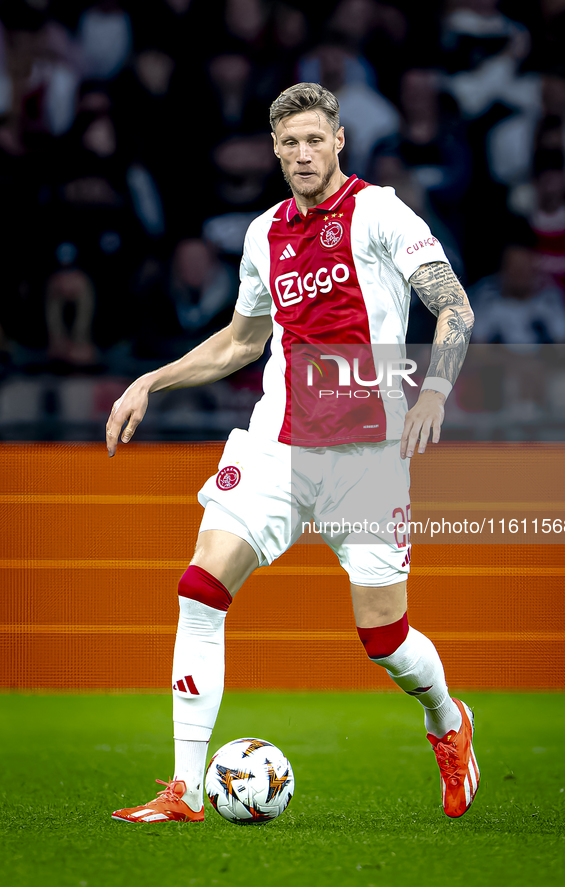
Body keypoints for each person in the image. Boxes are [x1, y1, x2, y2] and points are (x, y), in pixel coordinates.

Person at [106, 82, 478, 824]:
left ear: (338, 141)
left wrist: (434, 391)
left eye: (315, 139)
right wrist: (153, 378)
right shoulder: (262, 234)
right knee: (200, 589)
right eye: (289, 143)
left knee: (383, 639)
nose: (303, 153)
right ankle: (181, 789)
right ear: (275, 151)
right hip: (277, 442)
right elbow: (243, 341)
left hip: (367, 455)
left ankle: (446, 718)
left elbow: (453, 304)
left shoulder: (377, 211)